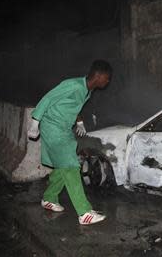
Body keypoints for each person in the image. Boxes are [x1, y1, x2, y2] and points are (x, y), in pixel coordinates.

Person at [27, 60, 112, 225]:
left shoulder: (87, 90)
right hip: (52, 127)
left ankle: (49, 198)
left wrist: (79, 121)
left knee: (63, 165)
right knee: (71, 165)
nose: (108, 82)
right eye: (107, 78)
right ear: (99, 76)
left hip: (64, 128)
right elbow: (48, 98)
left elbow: (74, 106)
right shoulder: (73, 85)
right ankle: (84, 212)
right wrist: (35, 123)